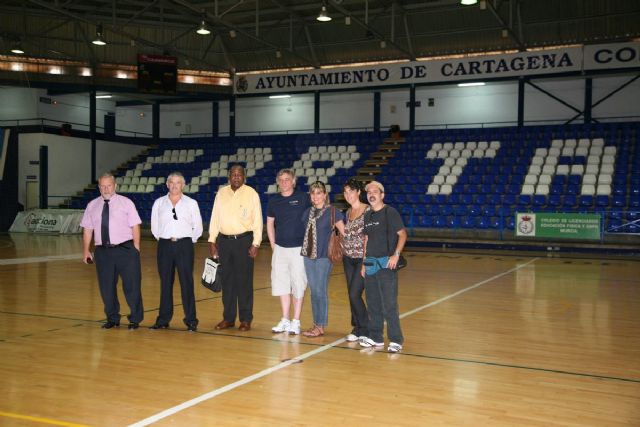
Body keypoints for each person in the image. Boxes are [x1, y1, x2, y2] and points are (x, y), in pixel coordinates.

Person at [81, 173, 143, 330]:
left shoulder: (126, 203)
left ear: (115, 186)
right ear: (99, 187)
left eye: (108, 185)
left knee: (132, 286)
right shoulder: (92, 205)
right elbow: (88, 229)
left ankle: (135, 319)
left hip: (126, 249)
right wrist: (86, 250)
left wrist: (136, 247)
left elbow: (135, 225)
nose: (106, 189)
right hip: (103, 251)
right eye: (102, 186)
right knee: (106, 287)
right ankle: (112, 318)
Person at [208, 165, 263, 332]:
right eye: (234, 174)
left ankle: (245, 319)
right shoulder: (221, 193)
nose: (236, 177)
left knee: (244, 283)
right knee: (227, 282)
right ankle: (228, 318)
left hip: (244, 241)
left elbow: (258, 220)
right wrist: (212, 240)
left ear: (244, 177)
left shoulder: (251, 193)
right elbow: (214, 218)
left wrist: (256, 243)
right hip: (224, 242)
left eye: (240, 174)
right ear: (229, 176)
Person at [150, 172, 203, 331]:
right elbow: (154, 226)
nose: (174, 185)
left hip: (184, 245)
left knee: (187, 283)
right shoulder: (159, 203)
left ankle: (191, 320)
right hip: (165, 245)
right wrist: (165, 239)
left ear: (183, 185)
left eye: (178, 182)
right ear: (167, 184)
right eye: (171, 182)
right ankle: (163, 319)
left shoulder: (191, 203)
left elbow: (198, 226)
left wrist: (188, 241)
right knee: (165, 283)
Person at [360, 181, 407, 353]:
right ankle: (376, 337)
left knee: (389, 304)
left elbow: (402, 234)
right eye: (368, 192)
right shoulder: (367, 215)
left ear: (382, 195)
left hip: (386, 264)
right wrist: (364, 262)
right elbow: (366, 239)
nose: (371, 194)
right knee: (372, 303)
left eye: (375, 191)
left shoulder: (390, 212)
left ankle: (396, 339)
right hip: (370, 264)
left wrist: (395, 254)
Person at [266, 169, 311, 335]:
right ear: (278, 182)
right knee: (281, 283)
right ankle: (285, 319)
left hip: (299, 249)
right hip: (280, 249)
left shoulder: (303, 198)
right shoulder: (274, 200)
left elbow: (313, 218)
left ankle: (296, 321)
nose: (284, 182)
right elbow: (270, 223)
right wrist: (272, 244)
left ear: (293, 181)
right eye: (281, 180)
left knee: (298, 283)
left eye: (287, 179)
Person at [300, 181, 345, 337]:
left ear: (325, 195)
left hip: (324, 257)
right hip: (308, 257)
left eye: (319, 193)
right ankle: (316, 324)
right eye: (313, 193)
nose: (316, 196)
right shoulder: (307, 213)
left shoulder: (333, 212)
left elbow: (345, 233)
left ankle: (320, 326)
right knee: (313, 292)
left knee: (320, 291)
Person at [341, 179, 370, 342]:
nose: (348, 195)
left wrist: (366, 261)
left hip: (361, 258)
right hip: (348, 258)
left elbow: (368, 237)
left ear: (359, 192)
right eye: (345, 192)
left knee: (354, 294)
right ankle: (357, 327)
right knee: (351, 293)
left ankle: (366, 328)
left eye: (351, 191)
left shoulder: (368, 210)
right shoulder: (348, 212)